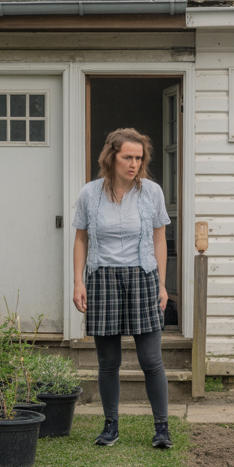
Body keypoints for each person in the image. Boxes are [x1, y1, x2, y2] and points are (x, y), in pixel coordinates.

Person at [71, 128, 173, 449]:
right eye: (127, 157)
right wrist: (78, 282)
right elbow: (81, 239)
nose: (134, 164)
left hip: (143, 277)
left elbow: (159, 239)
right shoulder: (90, 193)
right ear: (111, 157)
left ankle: (161, 428)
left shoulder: (151, 192)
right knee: (108, 363)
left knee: (150, 359)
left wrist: (161, 284)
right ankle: (111, 425)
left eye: (138, 158)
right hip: (102, 278)